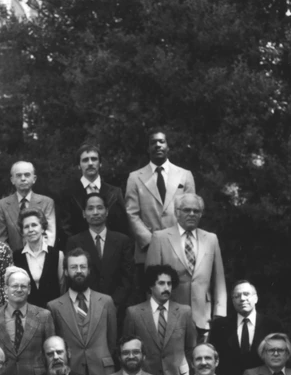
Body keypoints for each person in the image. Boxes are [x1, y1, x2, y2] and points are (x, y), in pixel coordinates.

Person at [144, 193, 226, 335]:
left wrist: (220, 312)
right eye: (187, 210)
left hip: (203, 316)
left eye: (196, 211)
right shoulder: (160, 238)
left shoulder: (211, 239)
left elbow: (219, 280)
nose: (192, 214)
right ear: (177, 212)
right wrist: (155, 314)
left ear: (201, 214)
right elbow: (151, 282)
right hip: (169, 314)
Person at [125, 128, 196, 263]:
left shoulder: (185, 175)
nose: (158, 145)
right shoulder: (134, 178)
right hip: (147, 251)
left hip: (179, 249)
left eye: (161, 141)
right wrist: (151, 241)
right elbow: (132, 213)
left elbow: (191, 212)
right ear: (148, 148)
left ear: (168, 147)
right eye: (153, 142)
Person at [47, 249, 117, 375]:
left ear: (89, 270)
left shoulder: (106, 302)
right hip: (72, 373)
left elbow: (112, 341)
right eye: (73, 267)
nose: (79, 271)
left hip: (103, 372)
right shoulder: (54, 307)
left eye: (83, 267)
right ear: (66, 271)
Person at [65, 191, 135, 322]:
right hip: (86, 308)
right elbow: (72, 277)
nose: (95, 212)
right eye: (90, 208)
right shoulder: (74, 242)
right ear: (84, 213)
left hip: (117, 308)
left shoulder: (122, 241)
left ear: (107, 212)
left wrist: (113, 303)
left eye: (100, 208)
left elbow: (128, 277)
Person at [123, 264, 197, 375]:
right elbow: (127, 349)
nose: (166, 288)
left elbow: (191, 348)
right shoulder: (134, 313)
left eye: (169, 283)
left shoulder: (184, 312)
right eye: (161, 283)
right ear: (151, 286)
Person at [0, 267, 55, 375]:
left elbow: (51, 353)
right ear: (6, 289)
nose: (19, 289)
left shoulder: (44, 316)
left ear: (29, 289)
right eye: (15, 286)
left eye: (23, 286)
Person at [207, 280, 283, 375]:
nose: (242, 299)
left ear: (256, 298)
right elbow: (213, 358)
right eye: (237, 296)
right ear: (233, 301)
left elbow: (280, 359)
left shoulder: (272, 326)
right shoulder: (219, 326)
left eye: (246, 294)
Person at [58, 142, 131, 239]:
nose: (90, 163)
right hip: (79, 247)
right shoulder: (68, 194)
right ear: (79, 165)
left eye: (94, 159)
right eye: (85, 160)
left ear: (100, 164)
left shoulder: (115, 193)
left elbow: (123, 226)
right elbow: (65, 229)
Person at [0, 161, 57, 253]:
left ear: (34, 179)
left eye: (27, 175)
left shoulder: (46, 203)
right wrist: (13, 258)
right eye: (18, 175)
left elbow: (49, 235)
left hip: (41, 256)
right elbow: (1, 239)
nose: (23, 179)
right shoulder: (1, 205)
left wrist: (43, 256)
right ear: (12, 180)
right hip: (13, 258)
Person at [13, 208, 64, 308]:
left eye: (34, 225)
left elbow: (62, 286)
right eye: (26, 227)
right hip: (27, 312)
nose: (30, 230)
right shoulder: (16, 257)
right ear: (22, 232)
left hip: (53, 311)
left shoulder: (57, 255)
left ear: (43, 228)